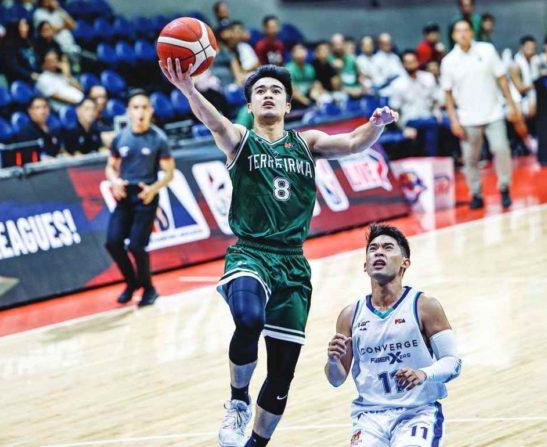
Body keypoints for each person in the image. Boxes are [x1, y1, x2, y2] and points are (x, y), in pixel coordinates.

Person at [160, 59, 399, 447]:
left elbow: (355, 143)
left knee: (282, 373)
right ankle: (238, 401)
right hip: (250, 253)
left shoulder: (308, 143)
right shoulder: (240, 139)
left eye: (276, 91)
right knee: (249, 319)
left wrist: (376, 123)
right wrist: (189, 90)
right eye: (260, 91)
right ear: (250, 107)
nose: (268, 95)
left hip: (292, 263)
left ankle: (256, 443)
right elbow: (215, 122)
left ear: (288, 106)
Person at [325, 223, 461, 447]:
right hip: (369, 418)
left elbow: (453, 363)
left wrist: (423, 374)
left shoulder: (425, 306)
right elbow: (336, 379)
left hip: (418, 413)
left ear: (405, 263)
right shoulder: (350, 315)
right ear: (365, 265)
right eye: (373, 248)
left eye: (388, 248)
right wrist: (332, 360)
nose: (379, 252)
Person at [104, 89, 174, 307]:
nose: (140, 112)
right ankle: (132, 283)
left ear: (151, 111)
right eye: (136, 107)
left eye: (144, 107)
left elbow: (169, 173)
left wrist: (153, 188)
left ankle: (149, 289)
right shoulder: (120, 138)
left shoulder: (158, 139)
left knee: (136, 246)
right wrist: (114, 182)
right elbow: (110, 167)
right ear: (128, 111)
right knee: (113, 243)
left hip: (146, 196)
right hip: (125, 195)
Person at [441, 19, 520, 210]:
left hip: (494, 112)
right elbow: (448, 95)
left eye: (466, 30)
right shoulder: (449, 61)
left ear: (472, 33)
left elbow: (502, 80)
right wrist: (454, 120)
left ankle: (504, 188)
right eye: (459, 31)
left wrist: (512, 106)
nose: (463, 34)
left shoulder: (487, 50)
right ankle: (476, 193)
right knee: (471, 159)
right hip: (468, 118)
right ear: (453, 36)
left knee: (501, 149)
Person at [388, 50, 441, 157]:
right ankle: (432, 158)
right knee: (432, 125)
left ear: (418, 62)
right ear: (403, 64)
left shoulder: (428, 78)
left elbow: (435, 99)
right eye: (408, 62)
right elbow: (394, 111)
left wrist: (437, 111)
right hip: (410, 120)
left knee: (445, 123)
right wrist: (403, 129)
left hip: (429, 116)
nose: (411, 65)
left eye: (413, 61)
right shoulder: (397, 84)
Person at [0, 18, 39, 83]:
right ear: (15, 28)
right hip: (19, 79)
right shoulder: (9, 45)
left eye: (26, 26)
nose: (25, 29)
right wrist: (30, 75)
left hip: (34, 75)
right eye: (22, 26)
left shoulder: (28, 43)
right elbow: (13, 67)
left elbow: (35, 62)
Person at [329, 33, 368, 98]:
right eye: (335, 44)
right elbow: (335, 84)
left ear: (344, 44)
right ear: (331, 46)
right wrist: (349, 91)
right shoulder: (330, 59)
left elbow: (360, 76)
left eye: (339, 44)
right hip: (340, 91)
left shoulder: (351, 58)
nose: (338, 47)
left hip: (355, 89)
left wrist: (363, 86)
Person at [285, 43, 321, 108]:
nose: (301, 54)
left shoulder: (310, 68)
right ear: (293, 54)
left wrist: (317, 96)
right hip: (293, 102)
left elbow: (314, 85)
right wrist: (308, 103)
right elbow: (292, 91)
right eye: (298, 52)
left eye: (303, 51)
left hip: (307, 97)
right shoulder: (288, 69)